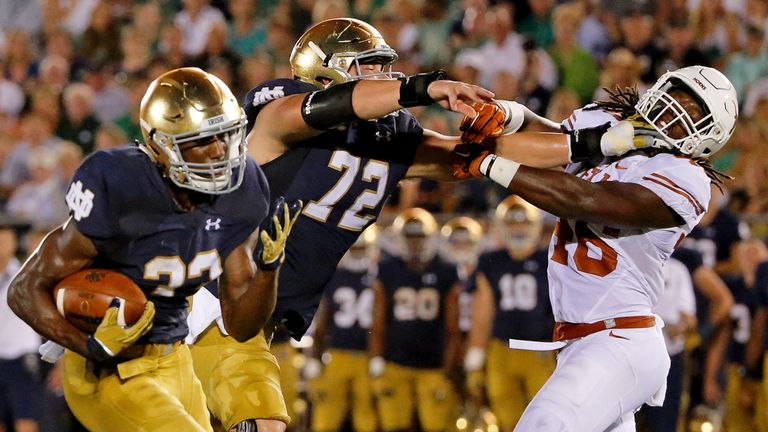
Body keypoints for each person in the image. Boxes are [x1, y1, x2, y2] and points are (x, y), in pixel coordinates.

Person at [185, 17, 633, 432]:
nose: (386, 76)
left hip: (249, 322)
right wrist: (422, 87)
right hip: (196, 296)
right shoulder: (279, 110)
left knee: (263, 422)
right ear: (325, 73)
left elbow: (477, 154)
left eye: (387, 67)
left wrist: (597, 142)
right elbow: (316, 111)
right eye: (369, 67)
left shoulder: (392, 137)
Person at [7, 67, 301, 432]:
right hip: (110, 369)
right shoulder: (120, 186)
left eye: (226, 136)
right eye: (203, 140)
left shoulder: (242, 191)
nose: (219, 151)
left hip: (174, 356)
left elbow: (241, 326)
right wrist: (89, 345)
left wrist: (269, 270)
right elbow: (23, 291)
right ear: (161, 144)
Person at [456, 65, 739, 431]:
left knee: (545, 424)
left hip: (620, 339)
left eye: (694, 111)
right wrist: (508, 114)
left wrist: (489, 164)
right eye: (676, 94)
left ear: (708, 137)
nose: (675, 110)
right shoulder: (609, 122)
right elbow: (550, 139)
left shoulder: (685, 176)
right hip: (580, 341)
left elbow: (586, 199)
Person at [464, 195, 555, 432]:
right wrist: (476, 352)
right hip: (501, 349)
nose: (518, 228)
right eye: (512, 223)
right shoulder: (491, 261)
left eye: (523, 222)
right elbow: (483, 309)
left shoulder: (549, 259)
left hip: (540, 350)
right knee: (507, 418)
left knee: (545, 418)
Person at [368, 208, 462, 432]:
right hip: (395, 363)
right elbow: (378, 320)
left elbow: (453, 327)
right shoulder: (387, 269)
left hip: (433, 365)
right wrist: (377, 360)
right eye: (410, 237)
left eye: (420, 237)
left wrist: (447, 370)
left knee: (436, 426)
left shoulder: (446, 271)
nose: (415, 243)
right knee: (394, 426)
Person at [305, 225, 379, 432]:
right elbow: (323, 320)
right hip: (337, 353)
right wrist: (314, 357)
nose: (357, 253)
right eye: (354, 249)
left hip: (367, 355)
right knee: (327, 414)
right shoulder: (335, 276)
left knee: (366, 415)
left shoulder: (380, 276)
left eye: (361, 249)